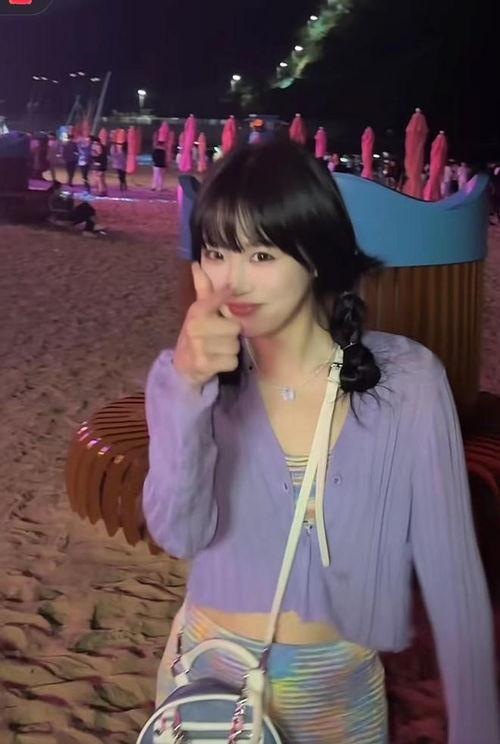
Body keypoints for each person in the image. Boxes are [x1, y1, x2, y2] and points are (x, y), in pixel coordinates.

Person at [143, 141, 498, 743]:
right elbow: (179, 534)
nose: (232, 280)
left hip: (341, 697)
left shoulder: (408, 380)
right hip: (213, 684)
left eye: (261, 254)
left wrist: (477, 729)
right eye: (216, 253)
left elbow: (453, 580)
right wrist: (188, 389)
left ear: (313, 258)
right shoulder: (182, 382)